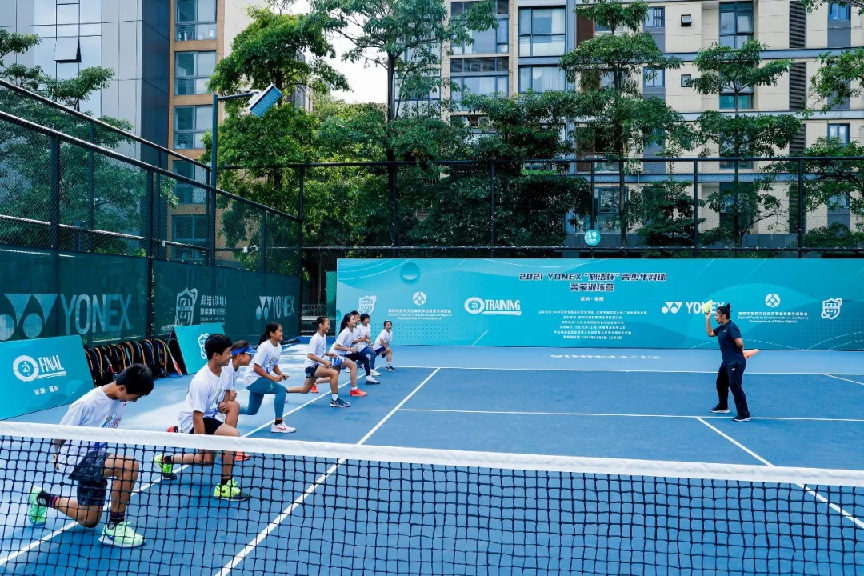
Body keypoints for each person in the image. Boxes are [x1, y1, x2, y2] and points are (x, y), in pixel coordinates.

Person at [28, 364, 155, 547]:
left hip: (96, 457)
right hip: (75, 459)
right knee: (129, 466)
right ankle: (114, 527)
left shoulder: (121, 399)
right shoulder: (86, 403)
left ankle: (42, 498)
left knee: (88, 519)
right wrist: (57, 454)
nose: (134, 401)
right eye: (135, 397)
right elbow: (60, 433)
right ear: (122, 388)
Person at [154, 334, 250, 501]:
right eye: (228, 353)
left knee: (206, 460)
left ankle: (165, 459)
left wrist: (223, 403)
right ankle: (224, 486)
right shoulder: (201, 381)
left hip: (209, 415)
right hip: (192, 420)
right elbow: (197, 417)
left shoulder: (225, 371)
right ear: (216, 355)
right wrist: (202, 443)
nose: (231, 356)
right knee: (232, 436)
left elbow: (226, 392)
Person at [238, 322, 294, 433]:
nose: (282, 333)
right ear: (271, 333)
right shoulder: (264, 347)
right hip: (253, 379)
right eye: (280, 331)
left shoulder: (279, 347)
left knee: (251, 410)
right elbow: (256, 368)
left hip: (259, 380)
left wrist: (280, 374)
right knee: (281, 390)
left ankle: (227, 410)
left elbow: (274, 365)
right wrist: (272, 378)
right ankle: (278, 424)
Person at [285, 316, 349, 407]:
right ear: (320, 325)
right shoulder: (315, 339)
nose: (329, 326)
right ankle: (335, 400)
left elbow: (320, 351)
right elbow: (310, 355)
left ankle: (283, 392)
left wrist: (328, 354)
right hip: (311, 367)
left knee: (305, 390)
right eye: (327, 324)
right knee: (334, 373)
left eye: (329, 324)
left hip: (316, 366)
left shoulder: (323, 336)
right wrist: (324, 362)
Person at [705, 302, 751, 422]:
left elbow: (739, 342)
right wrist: (707, 319)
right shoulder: (722, 327)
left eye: (716, 315)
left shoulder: (732, 327)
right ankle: (723, 406)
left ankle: (744, 414)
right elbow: (710, 333)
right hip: (726, 362)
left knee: (735, 387)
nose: (715, 317)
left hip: (735, 362)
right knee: (721, 383)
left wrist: (739, 351)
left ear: (723, 316)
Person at [223, 341, 253, 461]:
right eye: (249, 354)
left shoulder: (235, 369)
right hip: (208, 403)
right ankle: (229, 449)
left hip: (216, 402)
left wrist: (230, 393)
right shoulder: (226, 368)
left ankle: (177, 430)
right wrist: (229, 394)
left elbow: (227, 390)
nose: (251, 357)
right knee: (234, 406)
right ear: (240, 356)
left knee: (233, 405)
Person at [331, 312, 367, 397]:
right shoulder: (345, 333)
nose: (355, 321)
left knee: (334, 374)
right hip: (335, 355)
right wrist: (350, 349)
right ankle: (354, 390)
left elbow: (350, 343)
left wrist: (360, 341)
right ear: (348, 322)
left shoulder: (352, 332)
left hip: (340, 355)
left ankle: (315, 383)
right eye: (353, 319)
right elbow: (336, 346)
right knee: (353, 365)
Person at [354, 313, 380, 383]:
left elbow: (368, 337)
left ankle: (352, 366)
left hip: (365, 345)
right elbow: (357, 338)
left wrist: (370, 344)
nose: (368, 320)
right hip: (359, 346)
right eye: (366, 319)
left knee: (361, 361)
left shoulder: (369, 326)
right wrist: (365, 340)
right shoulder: (358, 328)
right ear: (362, 320)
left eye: (368, 318)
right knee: (373, 353)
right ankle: (371, 369)